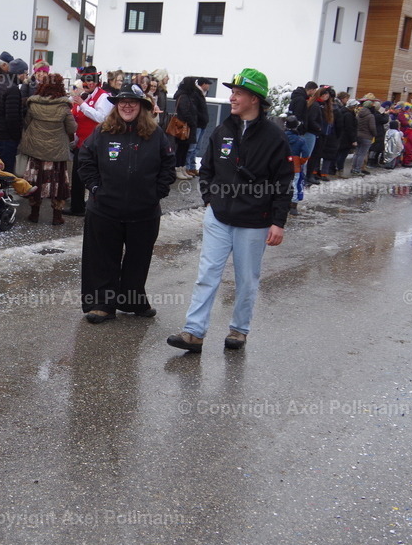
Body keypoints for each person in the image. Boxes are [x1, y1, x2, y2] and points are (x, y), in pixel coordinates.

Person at [167, 68, 292, 352]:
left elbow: (283, 182)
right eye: (232, 92)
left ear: (254, 99)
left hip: (255, 221)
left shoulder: (275, 137)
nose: (232, 98)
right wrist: (209, 199)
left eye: (238, 93)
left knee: (246, 279)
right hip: (219, 217)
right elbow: (207, 168)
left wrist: (278, 221)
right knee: (207, 275)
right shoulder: (222, 130)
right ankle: (194, 332)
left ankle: (239, 330)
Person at [77, 85, 175, 323]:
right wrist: (96, 188)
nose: (127, 106)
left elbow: (168, 164)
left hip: (144, 211)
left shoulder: (156, 134)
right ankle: (102, 304)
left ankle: (132, 301)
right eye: (122, 102)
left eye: (132, 102)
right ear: (116, 106)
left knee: (138, 259)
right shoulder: (102, 132)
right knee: (102, 257)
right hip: (104, 209)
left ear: (142, 107)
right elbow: (85, 160)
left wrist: (157, 192)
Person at [18, 73, 76, 224]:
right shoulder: (64, 106)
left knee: (35, 181)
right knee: (57, 183)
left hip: (36, 150)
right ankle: (57, 216)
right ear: (60, 87)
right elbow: (72, 127)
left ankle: (34, 214)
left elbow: (27, 123)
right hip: (56, 152)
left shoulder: (33, 104)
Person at [68, 66, 116, 215]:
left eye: (90, 81)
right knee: (77, 176)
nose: (87, 84)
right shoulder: (85, 96)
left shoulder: (103, 97)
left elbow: (102, 118)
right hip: (81, 143)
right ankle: (77, 207)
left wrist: (82, 105)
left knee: (92, 176)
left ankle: (96, 206)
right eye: (84, 81)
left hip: (95, 145)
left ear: (96, 82)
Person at [0, 57, 28, 173]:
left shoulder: (1, 83)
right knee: (6, 172)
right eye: (25, 73)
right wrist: (17, 137)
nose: (26, 77)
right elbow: (12, 119)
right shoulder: (12, 89)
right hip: (6, 138)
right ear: (19, 74)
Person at [171, 76, 201, 180]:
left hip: (186, 126)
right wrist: (192, 122)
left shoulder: (187, 95)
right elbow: (185, 112)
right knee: (181, 149)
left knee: (184, 149)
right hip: (184, 127)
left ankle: (182, 168)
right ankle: (178, 168)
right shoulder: (184, 96)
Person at [334, 91, 357, 177]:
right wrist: (353, 139)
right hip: (346, 138)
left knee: (339, 153)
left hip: (341, 136)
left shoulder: (342, 111)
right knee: (342, 155)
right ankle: (339, 170)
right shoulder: (348, 115)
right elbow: (349, 128)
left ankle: (336, 168)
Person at [351, 97, 375, 177]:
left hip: (358, 135)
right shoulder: (370, 116)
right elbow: (372, 127)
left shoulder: (359, 114)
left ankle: (353, 168)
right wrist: (374, 134)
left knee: (357, 153)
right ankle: (357, 169)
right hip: (367, 136)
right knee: (362, 154)